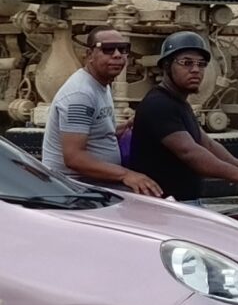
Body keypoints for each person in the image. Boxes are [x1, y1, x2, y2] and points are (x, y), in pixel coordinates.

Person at [129, 31, 238, 202]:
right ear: (166, 66)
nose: (195, 70)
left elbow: (207, 144)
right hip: (163, 208)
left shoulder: (180, 103)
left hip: (184, 202)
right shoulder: (159, 104)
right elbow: (190, 152)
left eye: (201, 64)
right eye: (186, 63)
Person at [41, 26, 163, 196]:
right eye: (107, 49)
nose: (117, 55)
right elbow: (74, 157)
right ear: (89, 54)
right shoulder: (80, 94)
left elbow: (97, 134)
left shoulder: (100, 84)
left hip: (94, 182)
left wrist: (127, 125)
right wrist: (127, 175)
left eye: (123, 49)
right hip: (76, 187)